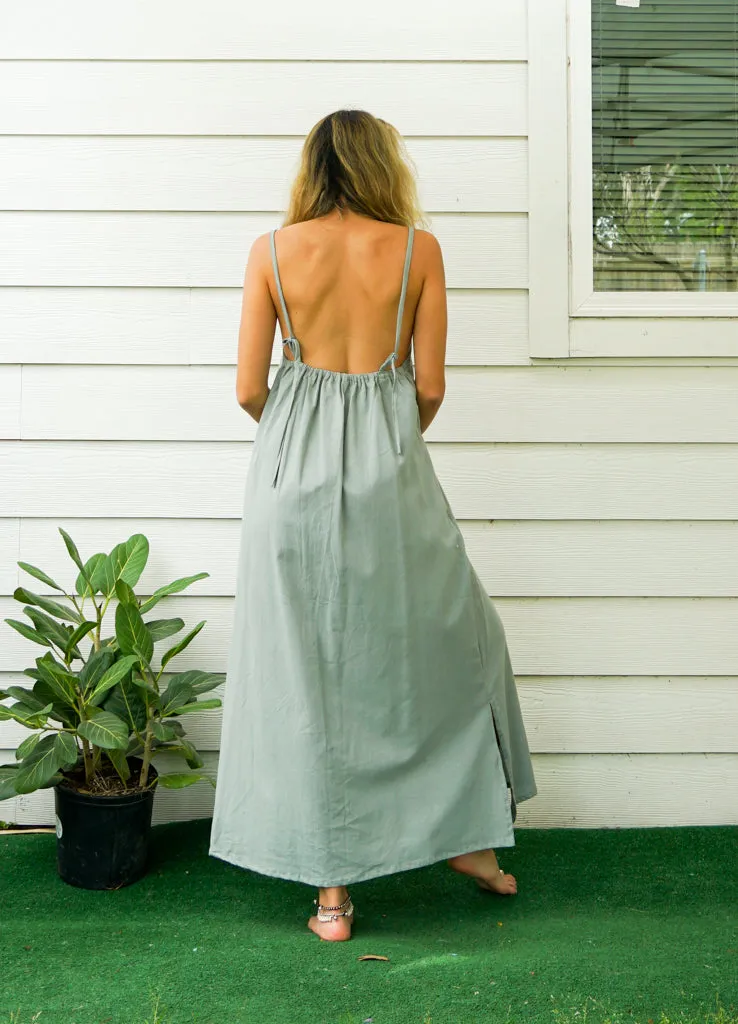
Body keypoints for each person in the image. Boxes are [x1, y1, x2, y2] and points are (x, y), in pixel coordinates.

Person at [208, 109, 537, 942]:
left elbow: (251, 386)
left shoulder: (272, 253)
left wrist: (306, 439)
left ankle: (334, 897)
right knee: (453, 640)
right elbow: (429, 386)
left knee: (312, 674)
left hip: (289, 472)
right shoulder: (418, 251)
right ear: (383, 165)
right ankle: (465, 838)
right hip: (392, 468)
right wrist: (378, 441)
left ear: (312, 168)